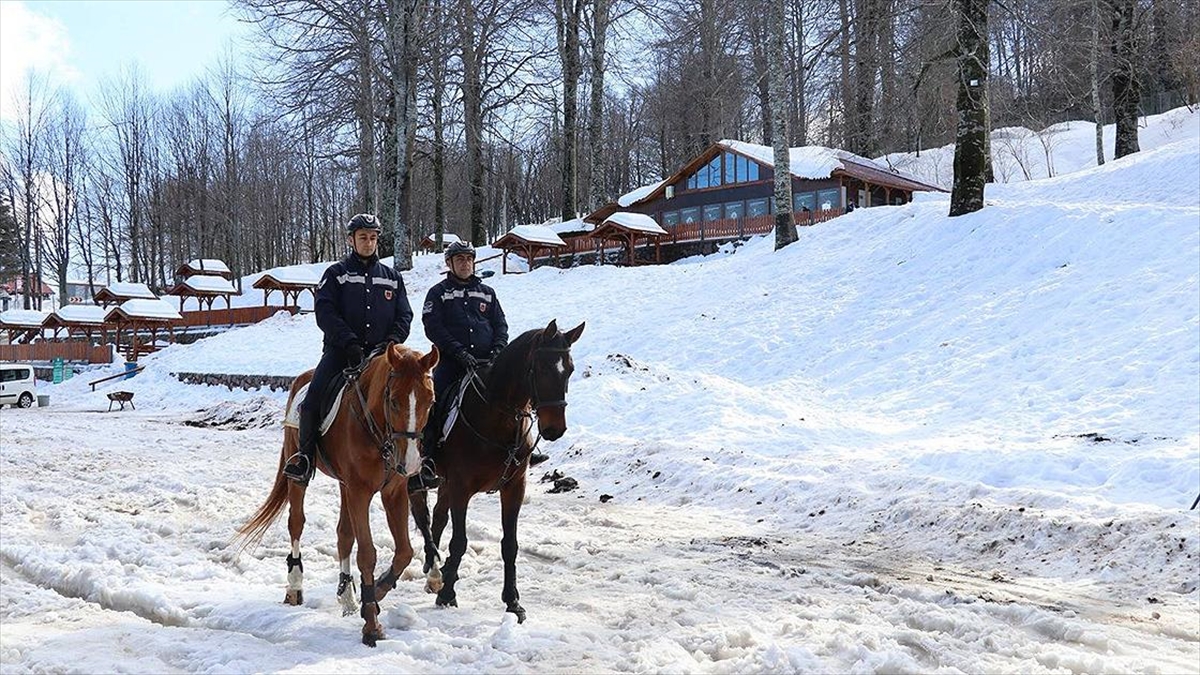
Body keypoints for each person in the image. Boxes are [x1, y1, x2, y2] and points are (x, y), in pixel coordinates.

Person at [283, 213, 413, 483]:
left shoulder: (392, 278)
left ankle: (418, 459)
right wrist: (349, 342)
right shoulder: (336, 274)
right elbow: (325, 312)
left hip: (382, 357)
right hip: (341, 353)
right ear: (351, 240)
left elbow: (404, 316)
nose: (369, 242)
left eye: (373, 238)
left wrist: (390, 343)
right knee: (312, 401)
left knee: (414, 398)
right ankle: (304, 458)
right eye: (363, 237)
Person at [408, 241, 547, 492]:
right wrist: (458, 352)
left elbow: (500, 325)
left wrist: (497, 350)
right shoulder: (438, 293)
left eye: (469, 259)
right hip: (452, 364)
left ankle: (525, 448)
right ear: (449, 263)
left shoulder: (488, 293)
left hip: (488, 364)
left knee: (517, 396)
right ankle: (428, 457)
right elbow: (433, 327)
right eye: (459, 259)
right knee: (434, 401)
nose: (465, 264)